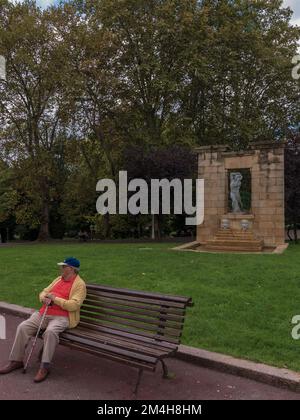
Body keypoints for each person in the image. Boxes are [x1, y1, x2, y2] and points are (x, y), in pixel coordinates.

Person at [0, 257, 86, 383]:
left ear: (71, 269)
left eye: (63, 266)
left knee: (50, 332)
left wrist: (55, 299)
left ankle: (44, 366)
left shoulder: (79, 285)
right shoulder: (58, 279)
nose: (60, 268)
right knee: (23, 327)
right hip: (43, 313)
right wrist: (44, 298)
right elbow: (44, 292)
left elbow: (74, 305)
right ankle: (16, 361)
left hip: (62, 317)